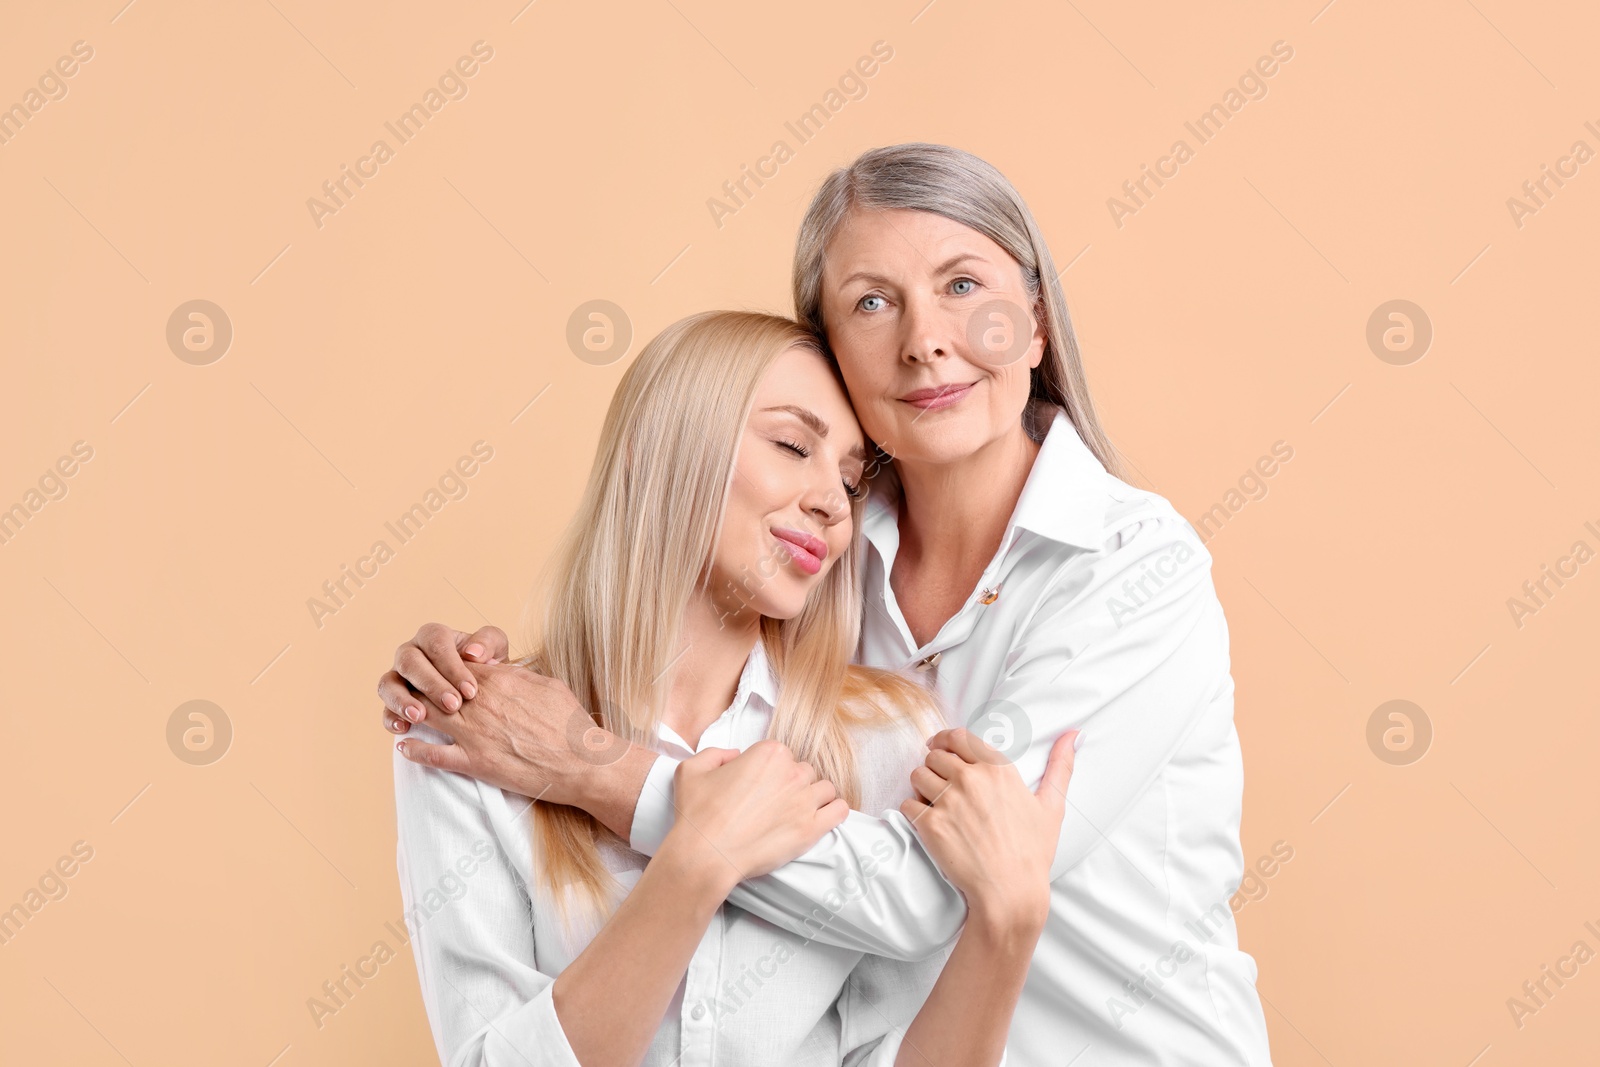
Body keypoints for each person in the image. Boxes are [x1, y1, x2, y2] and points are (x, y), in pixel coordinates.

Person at [385, 144, 1272, 1065]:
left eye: (964, 284)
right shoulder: (819, 563)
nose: (925, 338)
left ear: (1038, 323)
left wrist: (591, 768)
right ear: (834, 356)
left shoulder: (1133, 569)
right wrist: (458, 678)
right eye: (872, 303)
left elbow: (925, 899)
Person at [392, 309, 1076, 1066]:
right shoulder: (470, 727)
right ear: (657, 449)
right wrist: (698, 858)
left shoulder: (889, 736)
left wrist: (1007, 926)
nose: (832, 502)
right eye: (792, 445)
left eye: (851, 481)